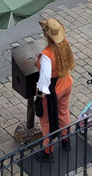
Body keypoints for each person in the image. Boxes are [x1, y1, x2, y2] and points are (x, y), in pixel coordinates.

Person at [34, 18, 75, 162]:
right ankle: (66, 140)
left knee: (46, 121)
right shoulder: (65, 44)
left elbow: (44, 81)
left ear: (47, 35)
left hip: (52, 91)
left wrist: (40, 96)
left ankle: (47, 152)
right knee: (63, 112)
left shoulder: (46, 55)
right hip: (66, 83)